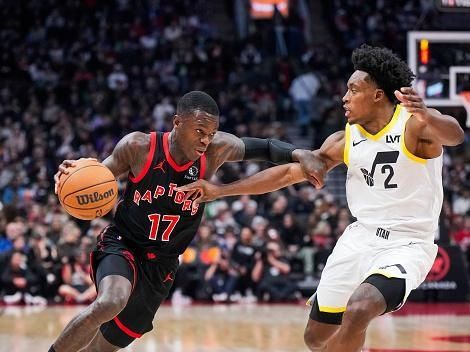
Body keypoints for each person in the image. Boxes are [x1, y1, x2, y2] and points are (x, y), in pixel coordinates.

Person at [178, 46, 465, 352]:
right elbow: (289, 174)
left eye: (353, 90)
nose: (344, 97)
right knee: (316, 338)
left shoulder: (416, 123)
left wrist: (426, 115)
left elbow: (456, 135)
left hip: (407, 243)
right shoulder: (344, 140)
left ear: (378, 96)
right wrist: (222, 190)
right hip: (359, 238)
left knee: (360, 308)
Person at [50, 90, 322, 352]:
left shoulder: (217, 149)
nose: (205, 140)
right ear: (177, 123)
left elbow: (266, 147)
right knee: (111, 301)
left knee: (106, 346)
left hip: (164, 263)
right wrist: (70, 178)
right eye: (199, 132)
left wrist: (300, 152)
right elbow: (97, 179)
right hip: (124, 244)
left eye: (211, 134)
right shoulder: (139, 146)